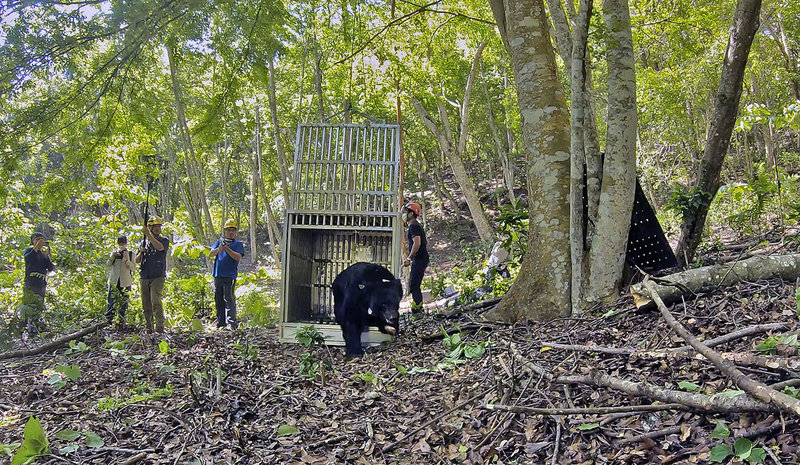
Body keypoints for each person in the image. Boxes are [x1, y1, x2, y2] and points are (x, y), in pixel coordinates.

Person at [135, 218, 170, 333]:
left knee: (156, 301)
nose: (158, 229)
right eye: (155, 227)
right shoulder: (143, 243)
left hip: (157, 275)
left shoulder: (164, 240)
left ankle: (160, 326)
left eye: (159, 227)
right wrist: (141, 252)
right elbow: (136, 260)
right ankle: (149, 327)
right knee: (146, 303)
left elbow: (160, 248)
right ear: (150, 228)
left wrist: (148, 235)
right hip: (145, 275)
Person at [209, 219, 245, 329]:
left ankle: (231, 323)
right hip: (218, 274)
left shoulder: (238, 244)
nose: (230, 232)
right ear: (225, 231)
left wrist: (227, 249)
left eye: (233, 230)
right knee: (218, 298)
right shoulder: (219, 241)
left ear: (235, 232)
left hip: (230, 275)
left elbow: (237, 257)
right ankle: (221, 322)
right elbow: (210, 253)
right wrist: (220, 249)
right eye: (228, 230)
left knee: (229, 298)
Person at [20, 232, 55, 332]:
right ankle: (25, 329)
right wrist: (36, 248)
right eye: (37, 239)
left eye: (42, 239)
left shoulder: (42, 254)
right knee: (28, 306)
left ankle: (36, 327)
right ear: (33, 241)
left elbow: (51, 268)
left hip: (41, 284)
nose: (40, 242)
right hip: (30, 284)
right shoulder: (29, 251)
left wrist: (47, 256)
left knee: (39, 306)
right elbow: (28, 259)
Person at [401, 202, 429, 314]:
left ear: (411, 213)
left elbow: (417, 243)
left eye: (405, 212)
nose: (404, 215)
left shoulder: (414, 226)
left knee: (414, 285)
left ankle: (418, 311)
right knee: (414, 284)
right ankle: (417, 309)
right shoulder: (416, 226)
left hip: (419, 259)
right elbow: (425, 242)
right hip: (421, 258)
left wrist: (409, 258)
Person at [106, 235, 136, 329]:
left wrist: (127, 260)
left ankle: (121, 321)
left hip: (125, 281)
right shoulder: (114, 253)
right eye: (120, 243)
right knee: (111, 301)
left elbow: (133, 268)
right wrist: (112, 257)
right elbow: (108, 264)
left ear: (126, 243)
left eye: (123, 243)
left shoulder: (131, 253)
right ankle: (109, 321)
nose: (121, 245)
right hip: (114, 280)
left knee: (124, 302)